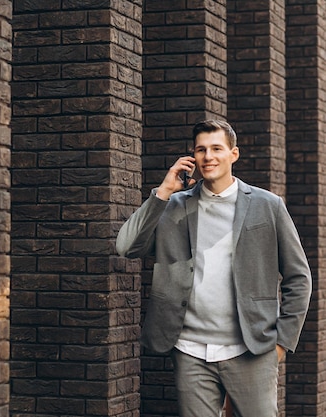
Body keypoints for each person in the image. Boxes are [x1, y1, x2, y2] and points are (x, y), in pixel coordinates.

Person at [115, 119, 312, 417]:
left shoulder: (268, 205)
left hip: (252, 349)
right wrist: (163, 191)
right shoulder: (174, 206)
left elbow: (298, 278)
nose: (209, 157)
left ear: (234, 154)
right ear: (193, 156)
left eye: (217, 148)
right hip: (190, 349)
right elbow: (126, 246)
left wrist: (282, 342)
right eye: (201, 150)